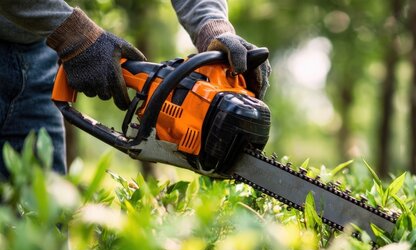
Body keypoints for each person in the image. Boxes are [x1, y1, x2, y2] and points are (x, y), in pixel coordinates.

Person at [0, 0, 270, 179]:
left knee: (39, 227)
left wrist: (213, 27)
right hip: (39, 32)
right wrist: (73, 32)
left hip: (38, 48)